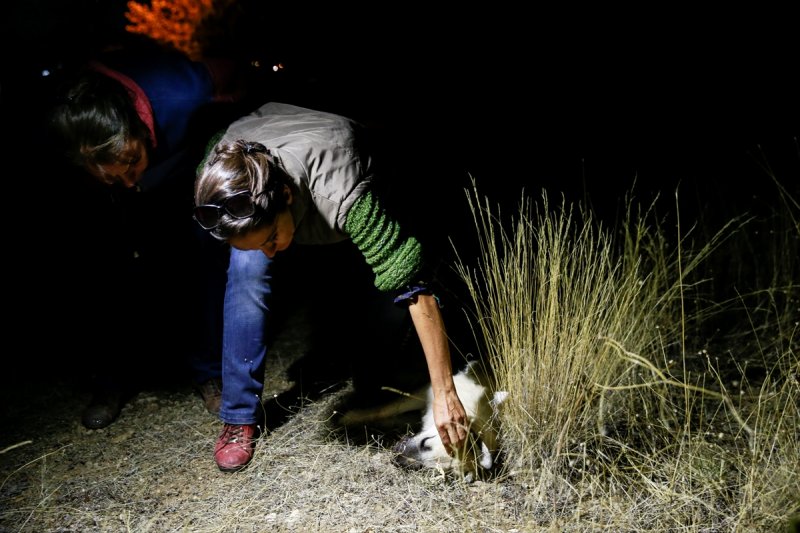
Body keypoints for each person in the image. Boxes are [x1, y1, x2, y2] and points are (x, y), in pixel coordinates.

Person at [193, 101, 475, 472]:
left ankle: (384, 367)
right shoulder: (219, 181)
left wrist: (445, 393)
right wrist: (259, 242)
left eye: (273, 239)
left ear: (288, 198)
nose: (270, 253)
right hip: (266, 135)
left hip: (358, 174)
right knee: (247, 270)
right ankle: (239, 415)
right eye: (261, 242)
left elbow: (413, 288)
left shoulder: (345, 194)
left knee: (386, 304)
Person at [48, 41, 247, 429]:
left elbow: (241, 75)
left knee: (204, 254)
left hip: (181, 162)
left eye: (130, 162)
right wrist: (117, 182)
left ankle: (208, 370)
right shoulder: (66, 138)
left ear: (135, 127)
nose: (127, 178)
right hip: (106, 197)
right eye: (112, 174)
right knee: (103, 267)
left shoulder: (181, 91)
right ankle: (109, 380)